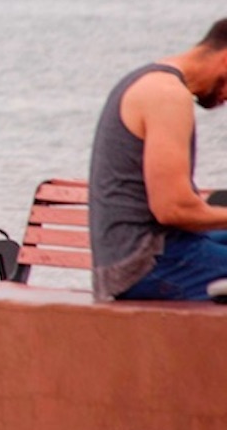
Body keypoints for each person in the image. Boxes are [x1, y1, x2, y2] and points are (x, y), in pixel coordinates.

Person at [89, 17, 227, 302]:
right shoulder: (168, 96)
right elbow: (173, 210)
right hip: (148, 265)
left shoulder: (148, 80)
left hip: (148, 254)